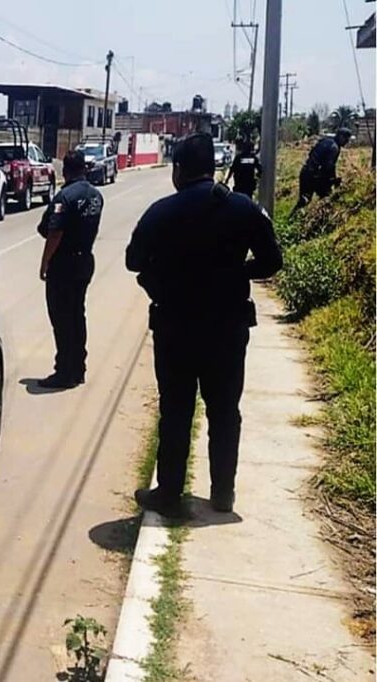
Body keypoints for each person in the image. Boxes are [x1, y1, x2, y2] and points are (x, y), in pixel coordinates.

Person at [126, 132, 282, 517]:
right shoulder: (243, 208)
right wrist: (233, 272)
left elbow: (133, 261)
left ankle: (169, 494)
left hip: (175, 327)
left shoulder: (161, 211)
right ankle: (223, 495)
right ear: (211, 168)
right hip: (227, 328)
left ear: (178, 169)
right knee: (225, 411)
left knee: (176, 410)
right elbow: (271, 261)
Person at [36, 150, 104, 389]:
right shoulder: (96, 196)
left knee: (62, 319)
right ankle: (78, 368)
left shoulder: (64, 197)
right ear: (84, 168)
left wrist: (45, 263)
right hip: (85, 261)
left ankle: (64, 370)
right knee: (77, 315)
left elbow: (53, 232)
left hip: (64, 264)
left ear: (65, 170)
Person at [293, 128, 353, 213]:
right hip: (314, 176)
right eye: (346, 139)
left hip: (306, 172)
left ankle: (291, 220)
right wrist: (333, 180)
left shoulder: (326, 141)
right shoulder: (334, 147)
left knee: (304, 201)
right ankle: (322, 220)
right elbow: (329, 166)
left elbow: (312, 154)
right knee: (326, 199)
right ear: (341, 137)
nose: (347, 142)